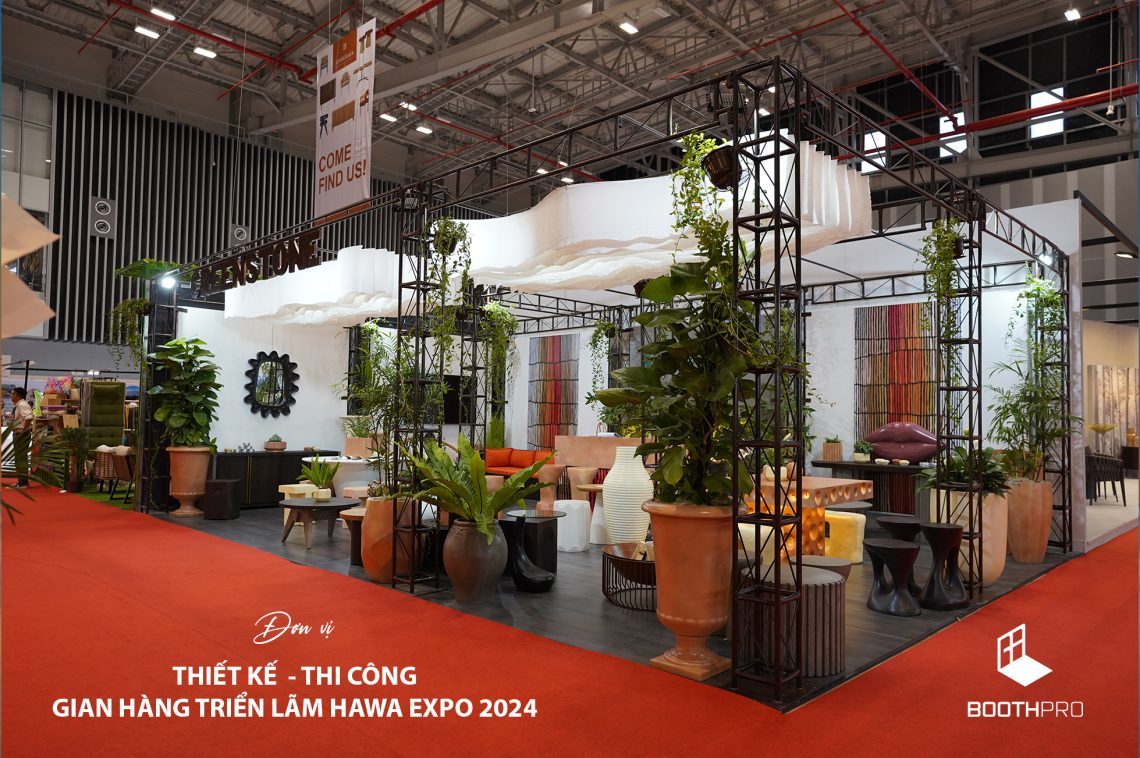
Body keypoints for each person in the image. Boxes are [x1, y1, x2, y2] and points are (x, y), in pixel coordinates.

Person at [9, 387, 33, 487]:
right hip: (19, 433)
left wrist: (23, 431)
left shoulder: (22, 404)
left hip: (20, 434)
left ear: (17, 395)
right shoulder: (20, 404)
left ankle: (23, 482)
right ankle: (22, 481)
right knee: (20, 458)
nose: (11, 396)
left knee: (20, 458)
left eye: (13, 394)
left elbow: (29, 417)